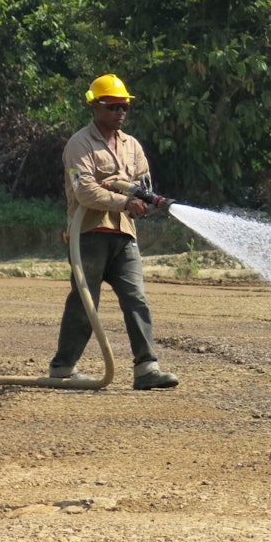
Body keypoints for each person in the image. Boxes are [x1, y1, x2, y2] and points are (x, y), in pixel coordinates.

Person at [49, 74, 179, 390]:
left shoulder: (131, 145)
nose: (120, 113)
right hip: (90, 234)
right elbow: (85, 193)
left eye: (124, 107)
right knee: (84, 304)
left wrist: (142, 199)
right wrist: (124, 201)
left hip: (124, 236)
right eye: (113, 107)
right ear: (95, 106)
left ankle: (146, 369)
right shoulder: (79, 144)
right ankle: (63, 368)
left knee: (136, 298)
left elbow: (143, 184)